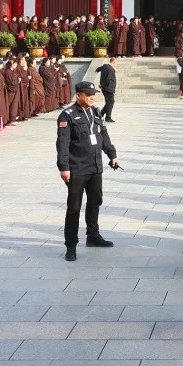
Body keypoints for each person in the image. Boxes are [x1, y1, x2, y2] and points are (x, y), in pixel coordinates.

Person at [56, 82, 120, 261]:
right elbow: (62, 144)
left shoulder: (96, 112)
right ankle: (71, 244)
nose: (92, 97)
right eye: (88, 94)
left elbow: (103, 135)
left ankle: (93, 235)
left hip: (95, 167)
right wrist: (64, 167)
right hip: (76, 168)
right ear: (79, 95)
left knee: (95, 201)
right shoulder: (67, 115)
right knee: (74, 207)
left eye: (94, 94)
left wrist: (112, 155)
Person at [95, 58, 117, 123]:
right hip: (108, 88)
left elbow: (98, 68)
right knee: (110, 102)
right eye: (116, 63)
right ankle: (106, 116)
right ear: (114, 62)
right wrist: (102, 85)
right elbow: (108, 79)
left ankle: (102, 115)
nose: (116, 64)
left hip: (105, 88)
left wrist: (97, 70)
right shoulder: (111, 69)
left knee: (109, 102)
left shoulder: (104, 66)